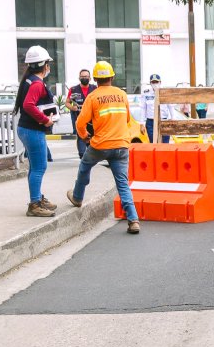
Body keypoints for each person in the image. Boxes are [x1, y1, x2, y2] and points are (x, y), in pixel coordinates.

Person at [67, 61, 144, 234]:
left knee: (84, 167)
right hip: (121, 146)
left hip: (100, 145)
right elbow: (126, 120)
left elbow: (80, 122)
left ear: (95, 79)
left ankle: (77, 197)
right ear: (112, 77)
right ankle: (133, 220)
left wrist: (85, 136)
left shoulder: (93, 97)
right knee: (123, 184)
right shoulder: (121, 94)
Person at [14, 46, 58, 217]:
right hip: (33, 130)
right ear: (44, 65)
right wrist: (45, 119)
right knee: (40, 167)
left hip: (25, 129)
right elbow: (28, 105)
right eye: (48, 64)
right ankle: (34, 204)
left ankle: (37, 198)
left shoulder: (29, 80)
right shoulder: (37, 84)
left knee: (34, 167)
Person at [139, 73, 174, 143]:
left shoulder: (165, 92)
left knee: (165, 144)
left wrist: (172, 119)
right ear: (150, 83)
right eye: (153, 82)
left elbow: (171, 106)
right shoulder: (146, 93)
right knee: (153, 143)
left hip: (163, 120)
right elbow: (143, 108)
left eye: (156, 82)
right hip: (151, 121)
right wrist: (142, 123)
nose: (155, 84)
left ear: (160, 82)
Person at [66, 69, 94, 157]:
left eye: (86, 77)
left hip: (92, 120)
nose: (84, 78)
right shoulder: (73, 89)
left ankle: (91, 153)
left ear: (90, 78)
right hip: (78, 118)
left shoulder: (95, 89)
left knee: (92, 136)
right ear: (79, 78)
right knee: (81, 135)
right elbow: (67, 103)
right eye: (82, 77)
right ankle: (82, 154)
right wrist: (72, 107)